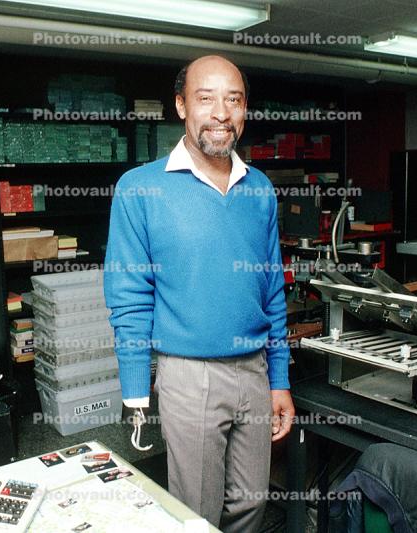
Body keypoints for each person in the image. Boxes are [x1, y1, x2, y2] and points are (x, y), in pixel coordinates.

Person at [104, 55, 294, 532]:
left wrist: (279, 378)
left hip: (252, 371)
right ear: (181, 106)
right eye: (205, 98)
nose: (221, 113)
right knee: (197, 512)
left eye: (233, 99)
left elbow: (272, 290)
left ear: (245, 110)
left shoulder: (261, 190)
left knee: (251, 504)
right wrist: (133, 389)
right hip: (189, 376)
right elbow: (129, 293)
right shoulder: (139, 188)